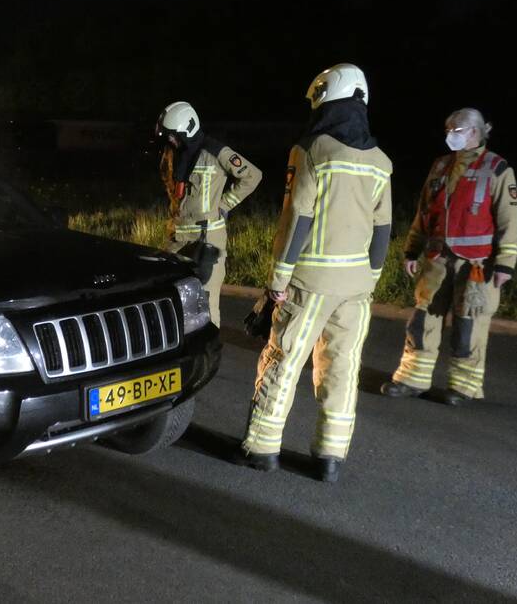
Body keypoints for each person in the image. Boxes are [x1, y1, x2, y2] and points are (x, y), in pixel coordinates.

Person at [238, 63, 392, 483]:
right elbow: (383, 230)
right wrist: (371, 278)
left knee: (283, 361)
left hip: (310, 281)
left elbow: (297, 218)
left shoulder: (311, 150)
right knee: (343, 368)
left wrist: (278, 280)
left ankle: (263, 448)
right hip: (357, 286)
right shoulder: (381, 161)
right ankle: (329, 458)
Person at [381, 108, 517, 406]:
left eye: (455, 131)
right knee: (422, 320)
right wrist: (411, 250)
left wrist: (505, 264)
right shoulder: (441, 166)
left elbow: (510, 220)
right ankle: (411, 379)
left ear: (474, 132)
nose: (449, 136)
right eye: (448, 130)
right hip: (436, 259)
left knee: (468, 324)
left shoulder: (497, 169)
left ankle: (463, 387)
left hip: (477, 265)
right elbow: (424, 212)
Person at [157, 101, 262, 327]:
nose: (171, 141)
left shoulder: (216, 152)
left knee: (204, 305)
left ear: (187, 130)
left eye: (173, 136)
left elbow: (252, 176)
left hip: (207, 241)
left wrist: (224, 204)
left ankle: (208, 355)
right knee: (174, 301)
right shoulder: (173, 155)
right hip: (178, 238)